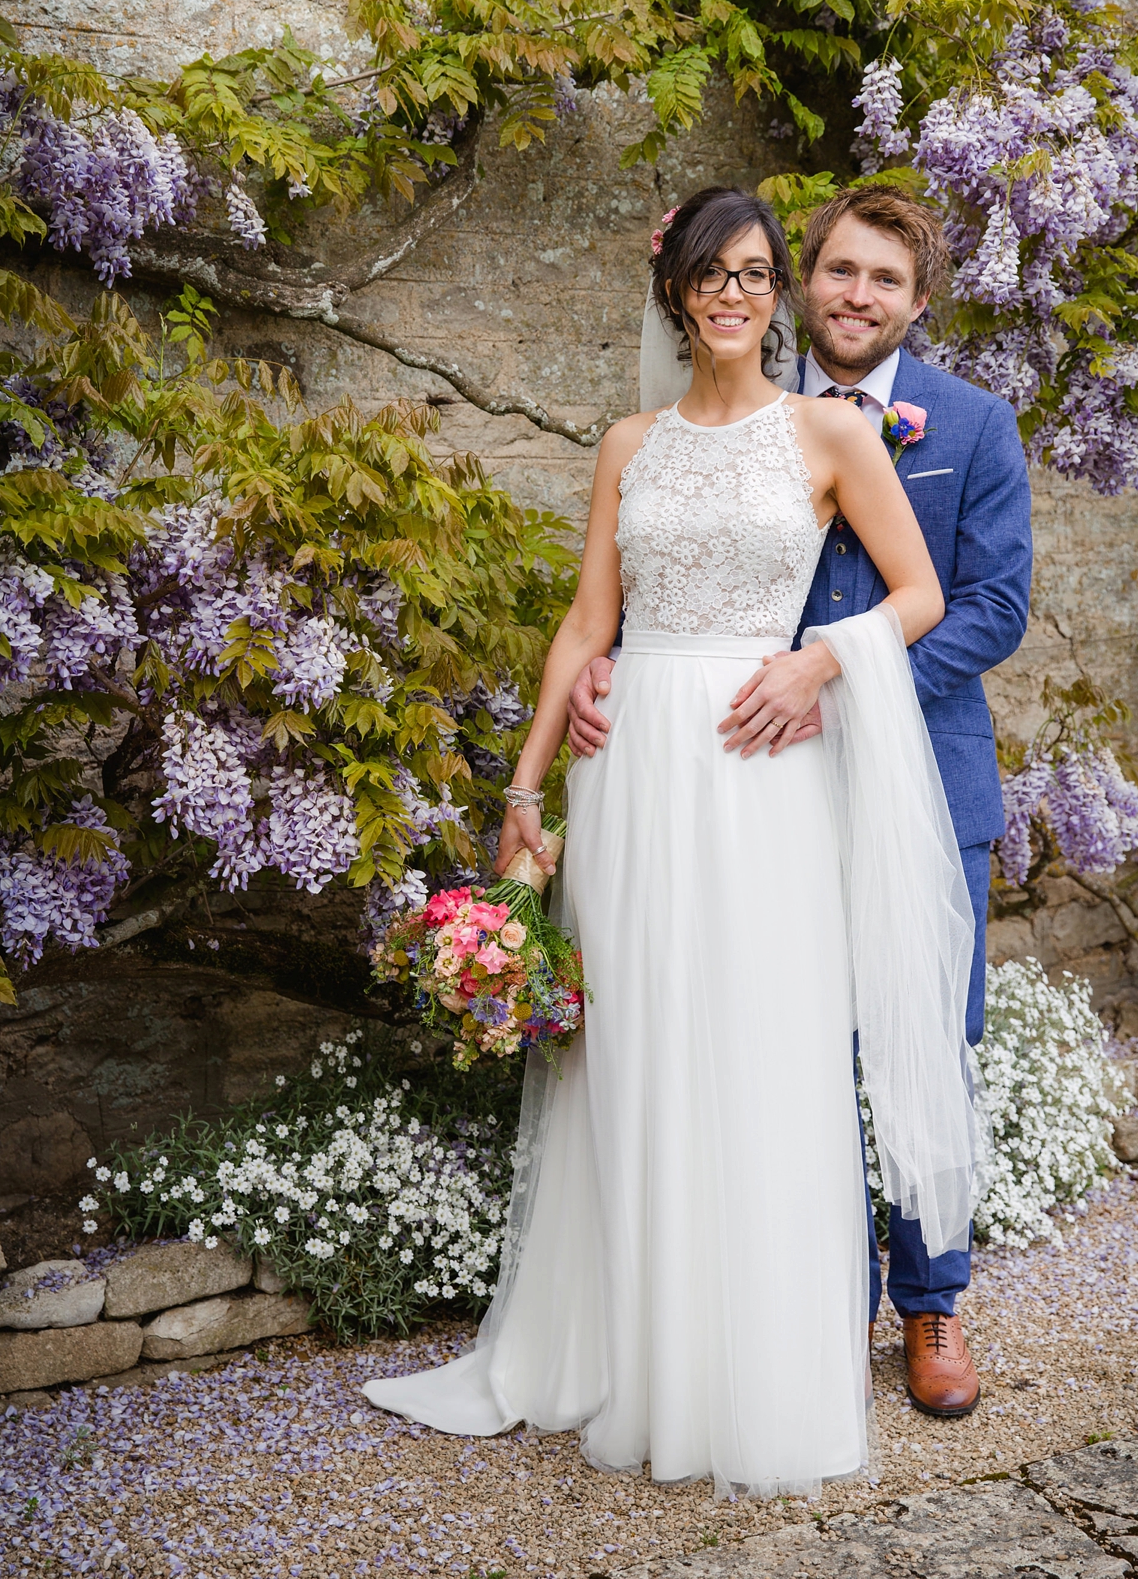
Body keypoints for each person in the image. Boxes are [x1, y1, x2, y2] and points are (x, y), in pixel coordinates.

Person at [362, 185, 991, 1497]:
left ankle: (752, 1373)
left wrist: (823, 663)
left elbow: (924, 591)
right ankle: (642, 1349)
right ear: (676, 289)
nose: (734, 295)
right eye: (713, 273)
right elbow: (589, 625)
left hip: (761, 766)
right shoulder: (626, 443)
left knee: (762, 1047)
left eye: (757, 274)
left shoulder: (827, 431)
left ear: (782, 294)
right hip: (635, 766)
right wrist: (526, 788)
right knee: (637, 1046)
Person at [568, 184, 1033, 1420]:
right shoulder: (725, 422)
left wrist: (840, 674)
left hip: (918, 780)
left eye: (886, 280)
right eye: (838, 271)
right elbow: (668, 575)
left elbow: (988, 606)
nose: (857, 295)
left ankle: (931, 1308)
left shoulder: (975, 429)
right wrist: (630, 659)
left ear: (918, 303)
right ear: (800, 282)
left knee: (924, 1041)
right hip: (749, 784)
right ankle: (801, 1307)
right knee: (777, 1049)